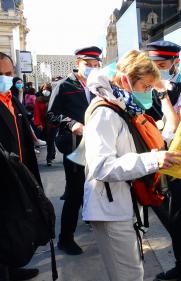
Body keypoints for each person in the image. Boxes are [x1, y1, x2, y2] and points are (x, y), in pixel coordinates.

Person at [84, 50, 181, 281]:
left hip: (122, 206)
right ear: (127, 80)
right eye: (146, 86)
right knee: (128, 276)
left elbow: (129, 149)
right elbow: (101, 166)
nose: (148, 92)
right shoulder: (105, 113)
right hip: (111, 211)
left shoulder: (122, 108)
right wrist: (154, 160)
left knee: (132, 272)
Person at [145, 40, 181, 281]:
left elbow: (177, 125)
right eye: (153, 65)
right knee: (169, 209)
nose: (157, 70)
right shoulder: (157, 86)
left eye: (162, 64)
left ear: (175, 62)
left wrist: (163, 94)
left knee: (179, 215)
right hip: (162, 152)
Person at [47, 46, 102, 255]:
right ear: (77, 62)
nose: (92, 68)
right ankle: (65, 239)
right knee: (75, 191)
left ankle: (91, 218)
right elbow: (52, 115)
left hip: (97, 144)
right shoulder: (64, 85)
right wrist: (71, 123)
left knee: (96, 186)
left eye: (96, 65)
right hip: (74, 144)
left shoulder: (98, 85)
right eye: (88, 64)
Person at [0, 52, 40, 281]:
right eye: (0, 75)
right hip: (3, 178)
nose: (5, 79)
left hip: (20, 173)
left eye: (8, 74)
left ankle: (12, 267)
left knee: (14, 228)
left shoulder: (12, 98)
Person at [34, 83, 56, 166]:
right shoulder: (38, 99)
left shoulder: (54, 98)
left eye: (47, 89)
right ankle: (52, 152)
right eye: (43, 89)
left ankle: (49, 158)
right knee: (49, 140)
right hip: (43, 124)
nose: (45, 91)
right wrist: (38, 124)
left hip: (54, 123)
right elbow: (37, 113)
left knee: (51, 140)